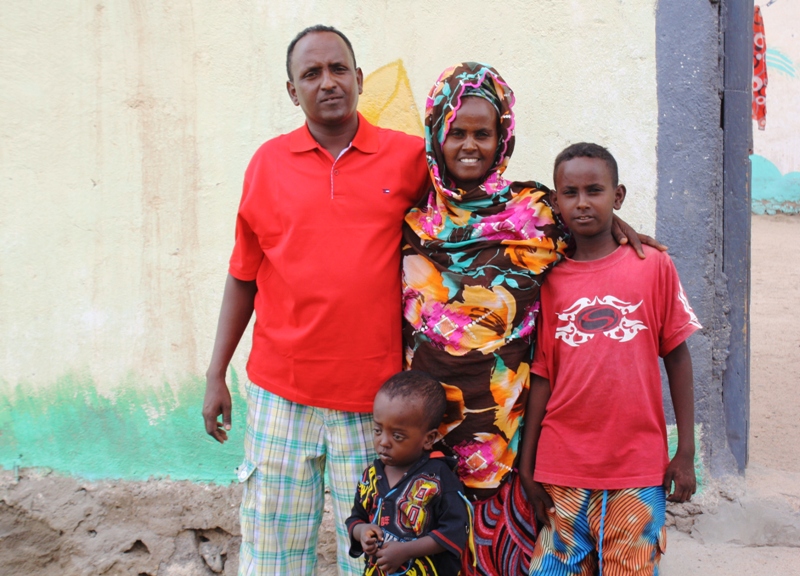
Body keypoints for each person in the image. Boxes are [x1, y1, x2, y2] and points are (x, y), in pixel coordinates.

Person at [401, 63, 661, 576]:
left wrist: (626, 227)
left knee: (505, 555)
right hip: (425, 425)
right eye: (457, 132)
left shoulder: (537, 211)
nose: (469, 144)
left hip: (509, 429)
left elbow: (591, 225)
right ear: (436, 135)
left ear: (504, 139)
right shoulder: (414, 218)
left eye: (484, 132)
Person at [201, 25, 428, 576]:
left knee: (376, 558)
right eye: (311, 74)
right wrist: (215, 373)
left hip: (376, 404)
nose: (328, 83)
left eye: (338, 69)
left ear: (358, 77)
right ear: (291, 90)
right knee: (273, 554)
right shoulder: (267, 164)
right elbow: (243, 276)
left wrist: (603, 231)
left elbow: (479, 210)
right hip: (282, 393)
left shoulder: (409, 160)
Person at [519, 142, 701, 575]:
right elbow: (543, 375)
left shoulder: (652, 265)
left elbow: (677, 357)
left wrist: (686, 451)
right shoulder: (551, 281)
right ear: (556, 200)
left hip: (636, 468)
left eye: (594, 190)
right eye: (570, 193)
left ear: (617, 197)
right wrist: (528, 466)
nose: (582, 203)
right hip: (563, 465)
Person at [346, 371, 472, 576]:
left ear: (428, 439)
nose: (383, 442)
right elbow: (356, 518)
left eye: (397, 435)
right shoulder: (371, 476)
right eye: (378, 430)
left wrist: (405, 551)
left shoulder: (439, 479)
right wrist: (362, 533)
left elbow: (455, 530)